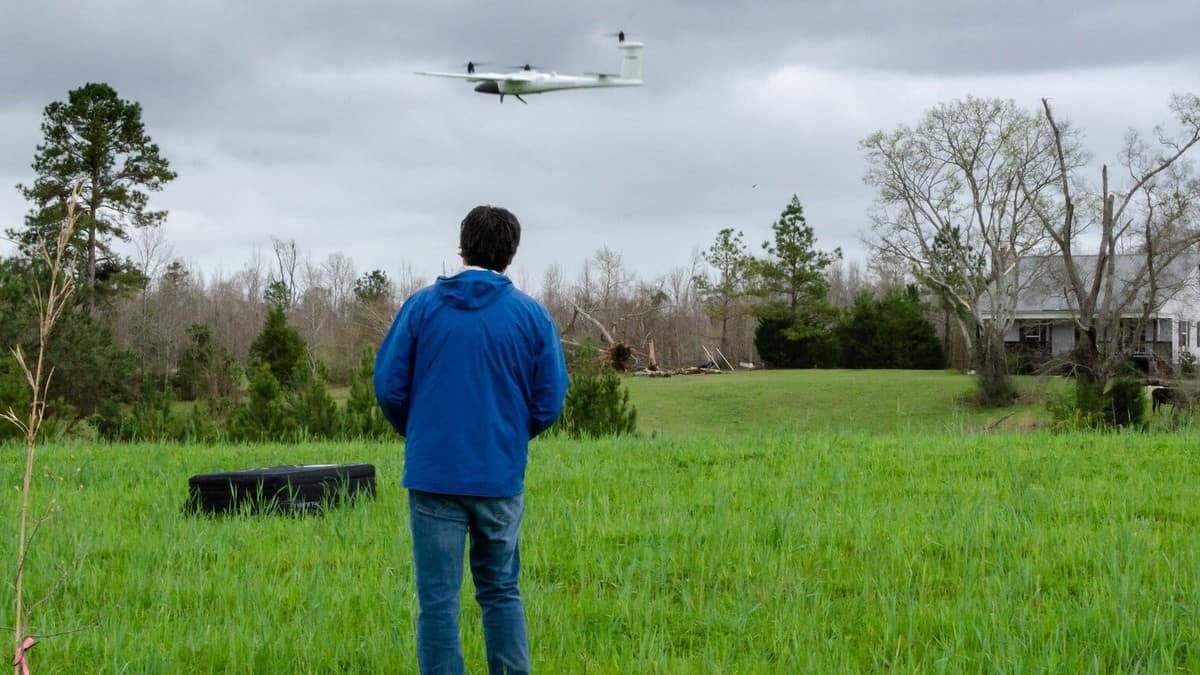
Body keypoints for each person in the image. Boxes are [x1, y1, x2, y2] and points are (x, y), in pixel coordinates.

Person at [375, 205, 569, 675]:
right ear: (511, 253)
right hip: (499, 475)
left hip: (433, 473)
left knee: (437, 601)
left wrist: (421, 432)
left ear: (462, 245)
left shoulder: (420, 309)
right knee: (501, 590)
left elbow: (389, 386)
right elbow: (550, 398)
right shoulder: (531, 316)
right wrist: (508, 435)